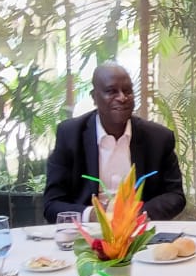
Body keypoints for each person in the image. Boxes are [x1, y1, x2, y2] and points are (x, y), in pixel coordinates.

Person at [43, 62, 185, 223]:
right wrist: (93, 214)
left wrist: (139, 213)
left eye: (127, 91)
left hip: (139, 232)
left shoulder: (158, 138)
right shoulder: (70, 135)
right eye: (111, 91)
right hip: (88, 234)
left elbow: (175, 196)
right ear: (94, 97)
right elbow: (52, 204)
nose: (122, 98)